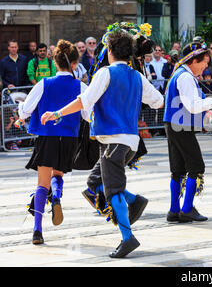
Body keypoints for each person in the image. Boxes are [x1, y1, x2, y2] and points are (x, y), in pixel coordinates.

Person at [41, 30, 164, 258]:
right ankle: (135, 201)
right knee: (94, 181)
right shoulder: (137, 76)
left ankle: (128, 238)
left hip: (113, 140)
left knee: (112, 189)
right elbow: (158, 101)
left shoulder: (105, 73)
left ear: (109, 51)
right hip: (129, 142)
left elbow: (84, 101)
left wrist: (58, 113)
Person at [17, 39, 90, 245]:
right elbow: (86, 115)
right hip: (69, 138)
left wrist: (21, 113)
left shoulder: (44, 83)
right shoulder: (81, 85)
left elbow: (27, 109)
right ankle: (57, 196)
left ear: (55, 63)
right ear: (75, 64)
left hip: (47, 136)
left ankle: (37, 230)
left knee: (42, 183)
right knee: (58, 174)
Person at [163, 42, 212, 224]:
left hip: (174, 124)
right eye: (204, 62)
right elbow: (192, 105)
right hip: (181, 126)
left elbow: (193, 100)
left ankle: (174, 210)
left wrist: (206, 107)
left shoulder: (183, 74)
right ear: (193, 60)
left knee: (178, 170)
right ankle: (187, 209)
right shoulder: (185, 77)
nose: (206, 66)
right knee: (196, 166)